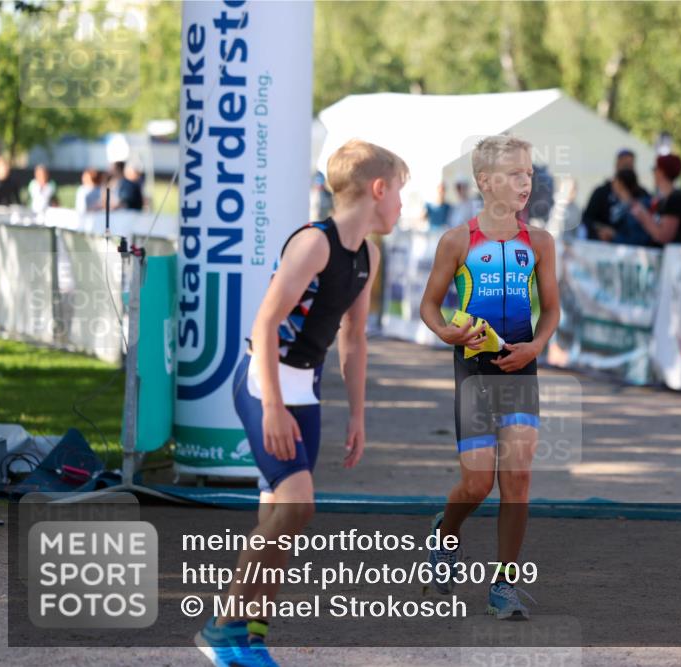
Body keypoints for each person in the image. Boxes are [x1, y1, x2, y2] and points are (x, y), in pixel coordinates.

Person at [195, 139, 408, 667]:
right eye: (400, 191)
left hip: (305, 391)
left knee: (281, 519)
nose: (402, 204)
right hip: (263, 383)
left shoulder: (369, 255)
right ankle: (221, 627)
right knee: (297, 506)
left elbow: (354, 339)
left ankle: (249, 638)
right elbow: (266, 323)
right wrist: (271, 407)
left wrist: (357, 414)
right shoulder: (314, 244)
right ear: (378, 190)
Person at [419, 135, 559, 620]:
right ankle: (445, 533)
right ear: (486, 181)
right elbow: (429, 306)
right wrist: (446, 333)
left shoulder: (539, 242)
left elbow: (552, 310)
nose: (527, 181)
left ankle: (504, 586)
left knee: (517, 479)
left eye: (530, 173)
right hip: (474, 372)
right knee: (477, 485)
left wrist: (536, 347)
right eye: (517, 173)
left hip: (522, 367)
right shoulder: (457, 241)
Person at [624, 153, 681, 247]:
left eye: (655, 169)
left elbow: (664, 236)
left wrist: (643, 216)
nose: (653, 173)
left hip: (675, 257)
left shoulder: (676, 199)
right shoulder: (663, 199)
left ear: (661, 172)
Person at [582, 148, 649, 242]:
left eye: (630, 165)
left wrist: (616, 235)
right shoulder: (601, 192)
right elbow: (587, 219)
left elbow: (644, 230)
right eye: (624, 165)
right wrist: (600, 231)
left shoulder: (642, 195)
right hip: (602, 245)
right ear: (617, 165)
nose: (627, 169)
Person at [609, 168, 654, 246]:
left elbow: (637, 240)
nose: (612, 184)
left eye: (615, 181)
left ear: (621, 183)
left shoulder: (638, 207)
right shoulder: (621, 205)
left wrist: (613, 236)